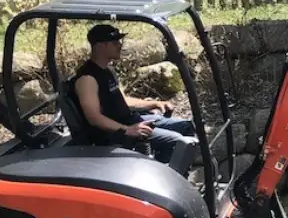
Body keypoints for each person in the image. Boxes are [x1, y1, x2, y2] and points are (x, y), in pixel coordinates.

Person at [73, 24, 198, 164]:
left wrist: (154, 103)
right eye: (115, 42)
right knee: (176, 141)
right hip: (114, 134)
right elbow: (94, 118)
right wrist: (128, 130)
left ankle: (183, 165)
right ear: (100, 46)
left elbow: (122, 100)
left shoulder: (107, 71)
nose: (120, 45)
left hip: (131, 121)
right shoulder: (87, 79)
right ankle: (164, 178)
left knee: (185, 126)